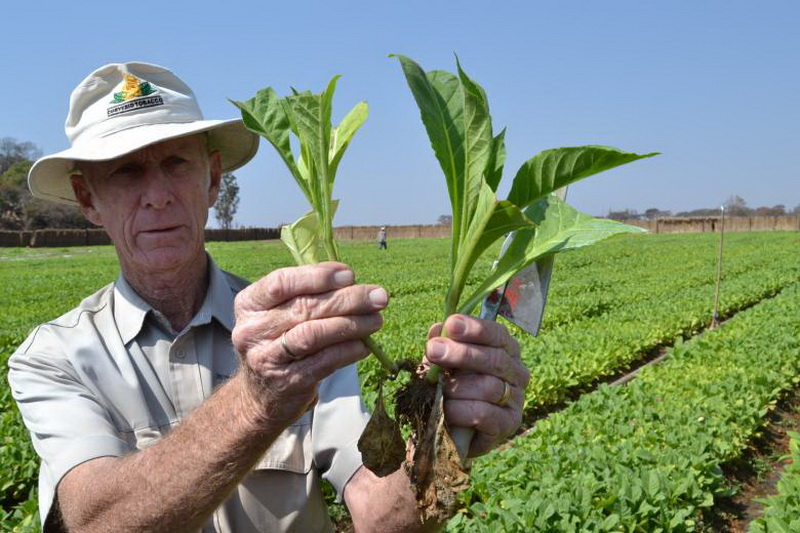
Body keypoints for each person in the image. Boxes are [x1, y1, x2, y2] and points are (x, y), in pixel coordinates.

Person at [7, 62, 529, 533]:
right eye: (126, 170)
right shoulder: (54, 358)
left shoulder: (297, 332)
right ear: (88, 198)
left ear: (212, 179)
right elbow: (96, 523)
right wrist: (257, 400)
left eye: (176, 164)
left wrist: (446, 431)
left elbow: (381, 513)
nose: (158, 195)